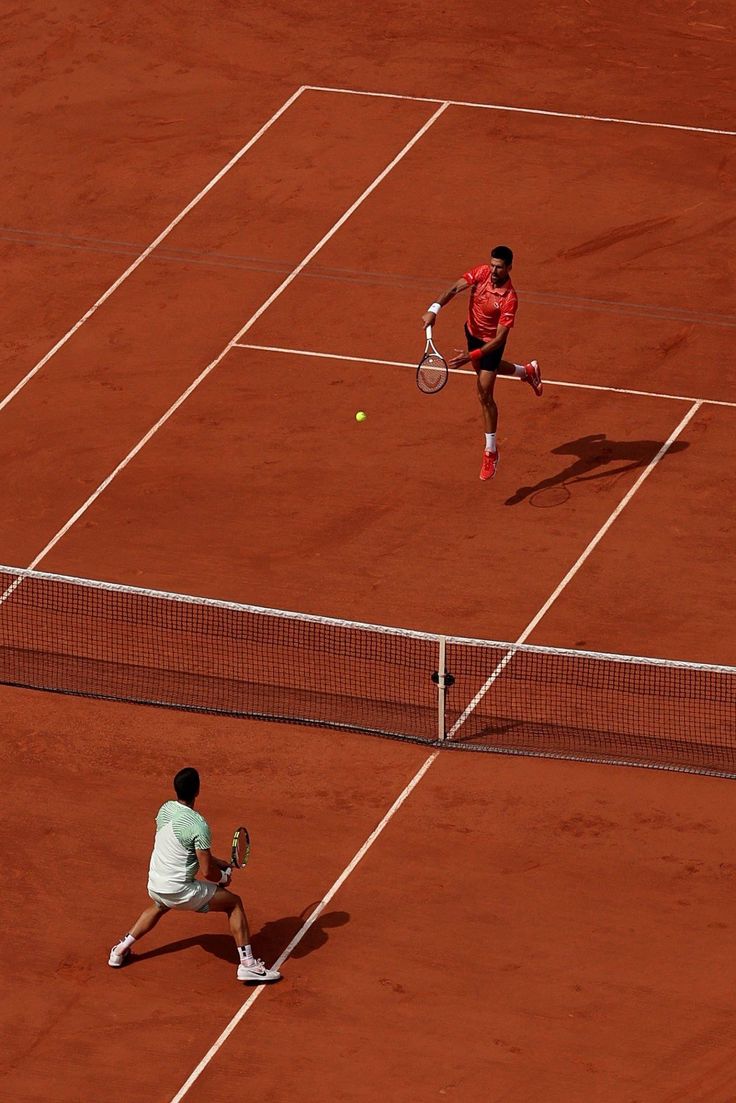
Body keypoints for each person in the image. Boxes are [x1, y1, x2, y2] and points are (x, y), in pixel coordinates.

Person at [108, 767, 281, 984]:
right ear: (197, 790)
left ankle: (119, 950)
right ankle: (248, 965)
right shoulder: (198, 825)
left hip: (156, 882)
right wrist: (223, 878)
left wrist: (220, 863)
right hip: (180, 890)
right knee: (234, 903)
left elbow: (188, 850)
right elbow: (207, 871)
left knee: (160, 904)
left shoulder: (165, 810)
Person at [421, 245, 542, 481]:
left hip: (490, 344)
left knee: (484, 393)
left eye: (499, 267)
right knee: (486, 373)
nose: (494, 270)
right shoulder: (481, 273)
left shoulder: (509, 298)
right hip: (472, 333)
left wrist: (471, 356)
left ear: (509, 268)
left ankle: (491, 451)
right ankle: (526, 372)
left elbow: (499, 339)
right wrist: (433, 310)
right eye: (492, 265)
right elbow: (455, 287)